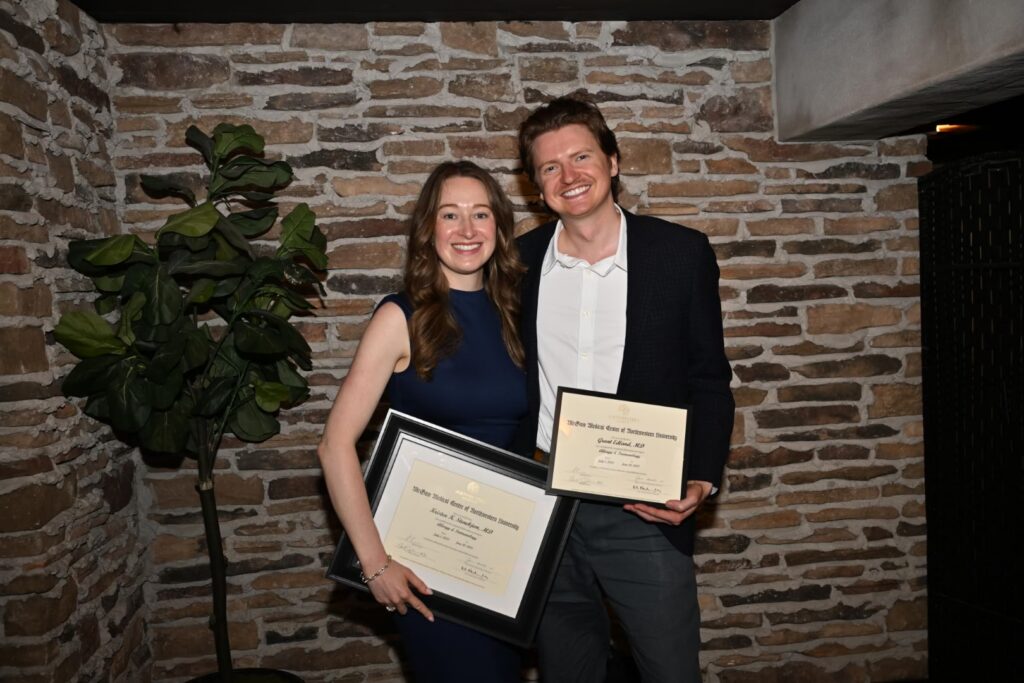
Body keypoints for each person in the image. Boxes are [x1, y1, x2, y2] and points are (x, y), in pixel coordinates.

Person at [512, 96, 736, 682]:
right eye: (550, 166)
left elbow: (709, 379)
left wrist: (702, 476)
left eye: (581, 156)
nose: (569, 175)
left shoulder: (680, 253)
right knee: (566, 670)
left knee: (670, 671)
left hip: (642, 507)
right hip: (543, 501)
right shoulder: (515, 265)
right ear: (536, 185)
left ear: (613, 161)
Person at [318, 161, 527, 683]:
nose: (466, 229)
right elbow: (334, 445)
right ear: (427, 229)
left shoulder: (514, 315)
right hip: (427, 562)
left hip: (501, 560)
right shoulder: (400, 316)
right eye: (449, 215)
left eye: (481, 214)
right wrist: (374, 563)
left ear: (499, 227)